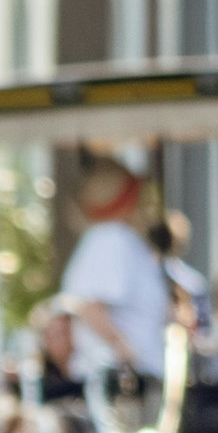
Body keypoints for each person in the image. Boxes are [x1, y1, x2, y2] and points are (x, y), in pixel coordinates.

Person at [40, 151, 175, 396]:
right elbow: (89, 306)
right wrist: (125, 351)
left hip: (127, 380)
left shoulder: (115, 240)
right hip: (122, 384)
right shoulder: (111, 239)